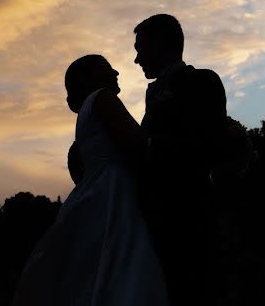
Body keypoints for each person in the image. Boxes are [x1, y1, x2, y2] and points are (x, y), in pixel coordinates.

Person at [12, 55, 169, 306]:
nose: (116, 72)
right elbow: (138, 146)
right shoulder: (103, 99)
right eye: (107, 68)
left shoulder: (84, 114)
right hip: (116, 193)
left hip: (94, 194)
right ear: (87, 79)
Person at [133, 14, 228, 306]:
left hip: (192, 225)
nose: (136, 60)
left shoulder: (203, 81)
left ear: (160, 43)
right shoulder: (152, 95)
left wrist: (151, 148)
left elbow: (208, 145)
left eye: (140, 48)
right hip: (157, 230)